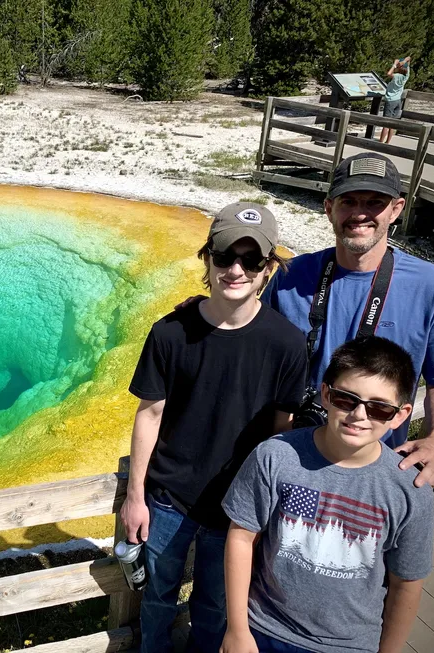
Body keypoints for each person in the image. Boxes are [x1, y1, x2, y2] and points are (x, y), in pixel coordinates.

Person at [122, 202, 308, 653]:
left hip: (238, 510)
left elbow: (279, 431)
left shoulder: (286, 343)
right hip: (167, 500)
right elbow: (149, 414)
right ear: (207, 258)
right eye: (225, 256)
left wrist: (266, 509)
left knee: (216, 608)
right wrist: (135, 497)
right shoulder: (169, 332)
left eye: (251, 260)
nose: (236, 269)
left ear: (269, 268)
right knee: (157, 599)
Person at [262, 152, 434, 489]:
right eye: (348, 201)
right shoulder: (291, 275)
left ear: (396, 209)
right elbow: (250, 340)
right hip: (288, 455)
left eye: (375, 202)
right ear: (328, 207)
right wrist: (204, 311)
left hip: (373, 471)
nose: (360, 213)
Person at [221, 336, 434, 653]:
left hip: (349, 645)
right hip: (263, 628)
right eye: (346, 400)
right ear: (325, 394)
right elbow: (241, 537)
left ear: (400, 415)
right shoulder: (275, 456)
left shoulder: (410, 491)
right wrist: (237, 630)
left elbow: (406, 583)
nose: (359, 415)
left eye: (378, 407)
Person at [380, 57, 410, 144]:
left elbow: (389, 73)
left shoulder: (396, 76)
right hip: (398, 100)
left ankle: (380, 142)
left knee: (386, 123)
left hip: (390, 101)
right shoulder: (406, 77)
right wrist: (404, 61)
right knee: (392, 123)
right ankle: (387, 142)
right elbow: (409, 59)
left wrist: (394, 64)